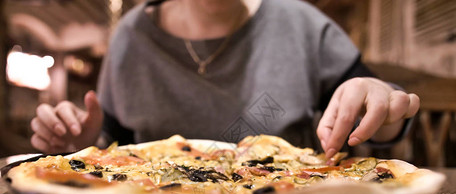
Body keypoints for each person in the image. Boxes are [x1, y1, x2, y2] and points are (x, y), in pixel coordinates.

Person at [30, 0, 420, 158]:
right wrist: (81, 145)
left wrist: (381, 102)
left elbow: (385, 118)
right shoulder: (130, 36)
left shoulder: (299, 21)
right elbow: (114, 148)